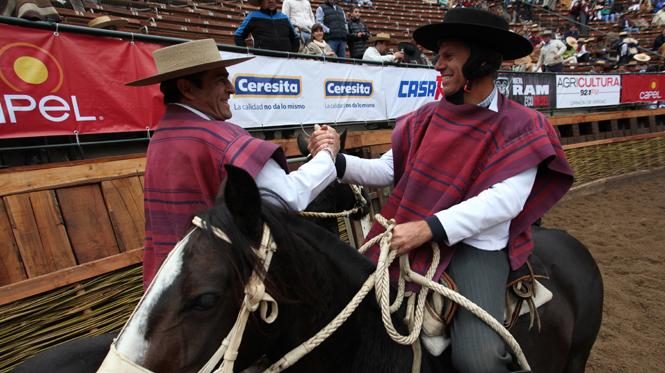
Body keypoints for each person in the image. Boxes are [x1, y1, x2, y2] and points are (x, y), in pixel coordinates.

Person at [309, 9, 573, 373]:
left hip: (474, 246)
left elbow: (505, 201)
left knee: (477, 360)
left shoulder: (523, 125)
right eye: (438, 55)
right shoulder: (426, 116)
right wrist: (337, 160)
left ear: (481, 60)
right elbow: (389, 170)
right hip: (411, 233)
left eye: (449, 55)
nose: (438, 64)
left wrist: (427, 228)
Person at [126, 39, 341, 287]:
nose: (231, 88)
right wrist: (327, 153)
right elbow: (288, 196)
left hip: (166, 287)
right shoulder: (220, 137)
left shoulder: (160, 137)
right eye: (219, 80)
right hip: (216, 293)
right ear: (186, 88)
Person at [234, 0, 300, 53]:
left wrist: (292, 55)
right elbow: (238, 36)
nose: (270, 1)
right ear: (260, 2)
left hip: (284, 62)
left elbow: (295, 38)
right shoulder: (253, 16)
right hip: (262, 61)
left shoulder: (284, 17)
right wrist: (246, 53)